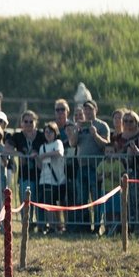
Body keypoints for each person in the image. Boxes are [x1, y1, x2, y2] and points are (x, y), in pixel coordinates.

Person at [66, 99, 110, 234]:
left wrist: (95, 134)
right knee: (82, 198)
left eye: (90, 109)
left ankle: (97, 227)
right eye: (85, 110)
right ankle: (84, 226)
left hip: (96, 168)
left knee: (96, 198)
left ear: (95, 110)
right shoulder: (79, 125)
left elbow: (106, 145)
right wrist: (77, 130)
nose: (87, 112)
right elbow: (72, 144)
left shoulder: (102, 126)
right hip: (82, 167)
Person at [6, 111, 46, 231]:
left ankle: (41, 226)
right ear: (21, 123)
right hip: (24, 175)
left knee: (39, 201)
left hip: (40, 174)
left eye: (31, 121)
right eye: (26, 121)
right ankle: (26, 226)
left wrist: (38, 155)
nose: (28, 124)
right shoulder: (18, 136)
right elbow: (6, 149)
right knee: (25, 201)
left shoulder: (41, 135)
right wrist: (20, 154)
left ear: (35, 123)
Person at [37, 121, 66, 234]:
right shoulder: (42, 147)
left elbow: (59, 153)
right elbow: (40, 165)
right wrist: (38, 158)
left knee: (58, 204)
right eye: (46, 132)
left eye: (50, 132)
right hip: (44, 179)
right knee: (48, 204)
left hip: (58, 179)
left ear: (55, 133)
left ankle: (60, 224)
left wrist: (45, 155)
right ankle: (51, 225)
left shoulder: (58, 142)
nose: (48, 134)